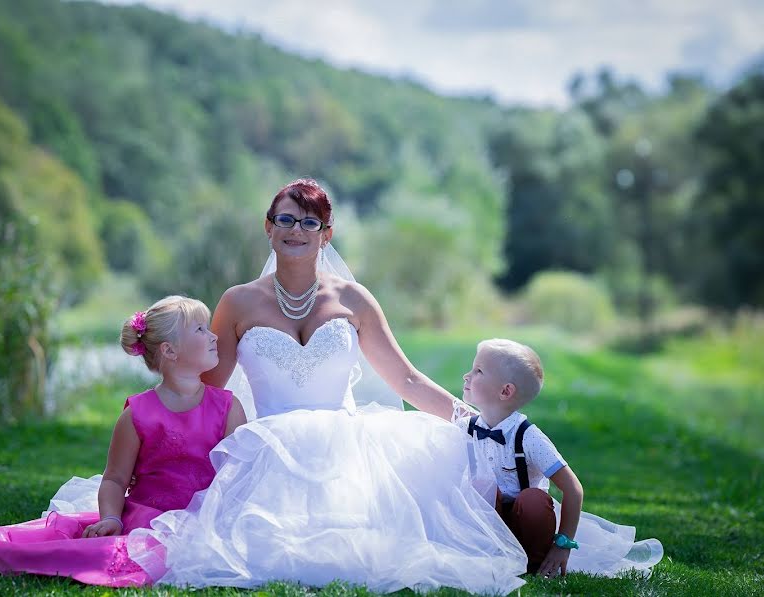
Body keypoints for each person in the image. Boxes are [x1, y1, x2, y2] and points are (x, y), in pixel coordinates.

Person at [123, 179, 529, 594]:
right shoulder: (237, 302)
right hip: (269, 448)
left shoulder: (354, 299)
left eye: (309, 222)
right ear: (268, 227)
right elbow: (206, 391)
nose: (295, 230)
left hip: (347, 447)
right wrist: (156, 437)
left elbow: (406, 379)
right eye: (285, 219)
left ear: (326, 234)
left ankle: (520, 518)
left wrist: (476, 422)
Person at [0, 296, 247, 587]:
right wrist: (112, 518)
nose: (213, 336)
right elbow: (116, 479)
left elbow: (236, 477)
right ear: (169, 351)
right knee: (114, 556)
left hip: (203, 520)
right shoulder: (138, 415)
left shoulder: (227, 408)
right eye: (200, 329)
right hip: (147, 521)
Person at [458, 338, 664, 578]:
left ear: (505, 391)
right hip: (488, 523)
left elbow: (573, 489)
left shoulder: (528, 437)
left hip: (526, 523)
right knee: (481, 487)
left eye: (478, 371)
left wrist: (562, 545)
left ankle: (534, 562)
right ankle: (489, 554)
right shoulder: (464, 429)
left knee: (533, 499)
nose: (466, 375)